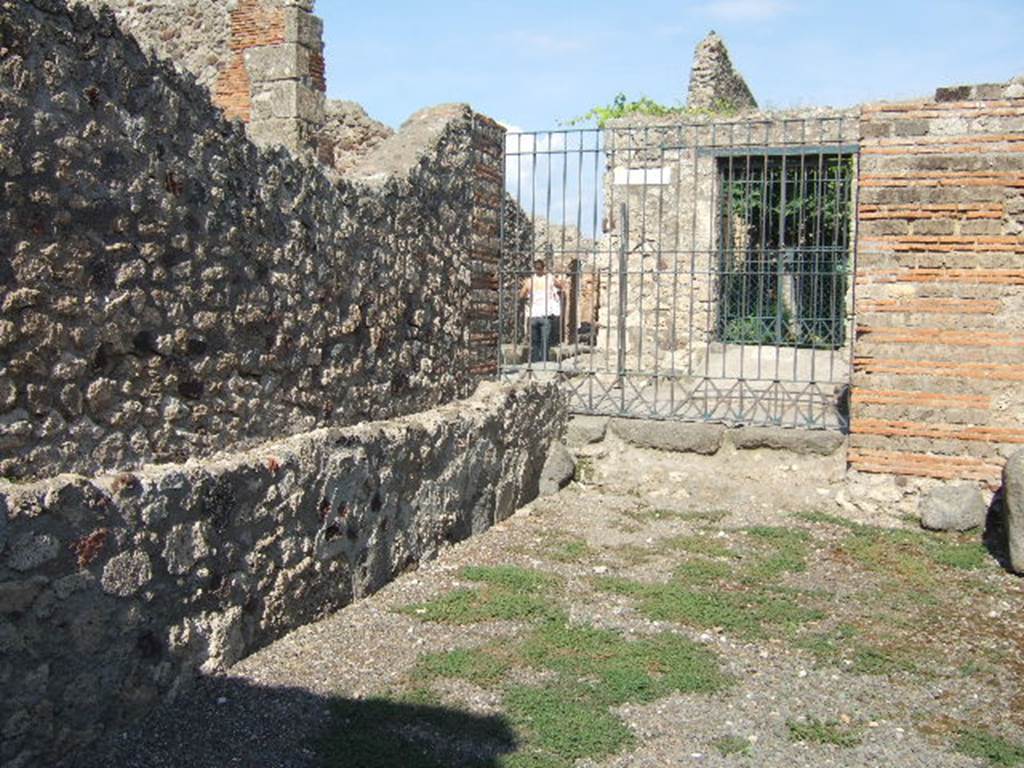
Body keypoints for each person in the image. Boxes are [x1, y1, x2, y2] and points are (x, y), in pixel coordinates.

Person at [519, 259, 566, 364]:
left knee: (535, 342)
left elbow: (521, 295)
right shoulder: (550, 279)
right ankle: (544, 363)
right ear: (544, 268)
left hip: (533, 314)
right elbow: (561, 286)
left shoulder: (529, 281)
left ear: (534, 269)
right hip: (545, 314)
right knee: (545, 341)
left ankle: (535, 362)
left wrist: (528, 298)